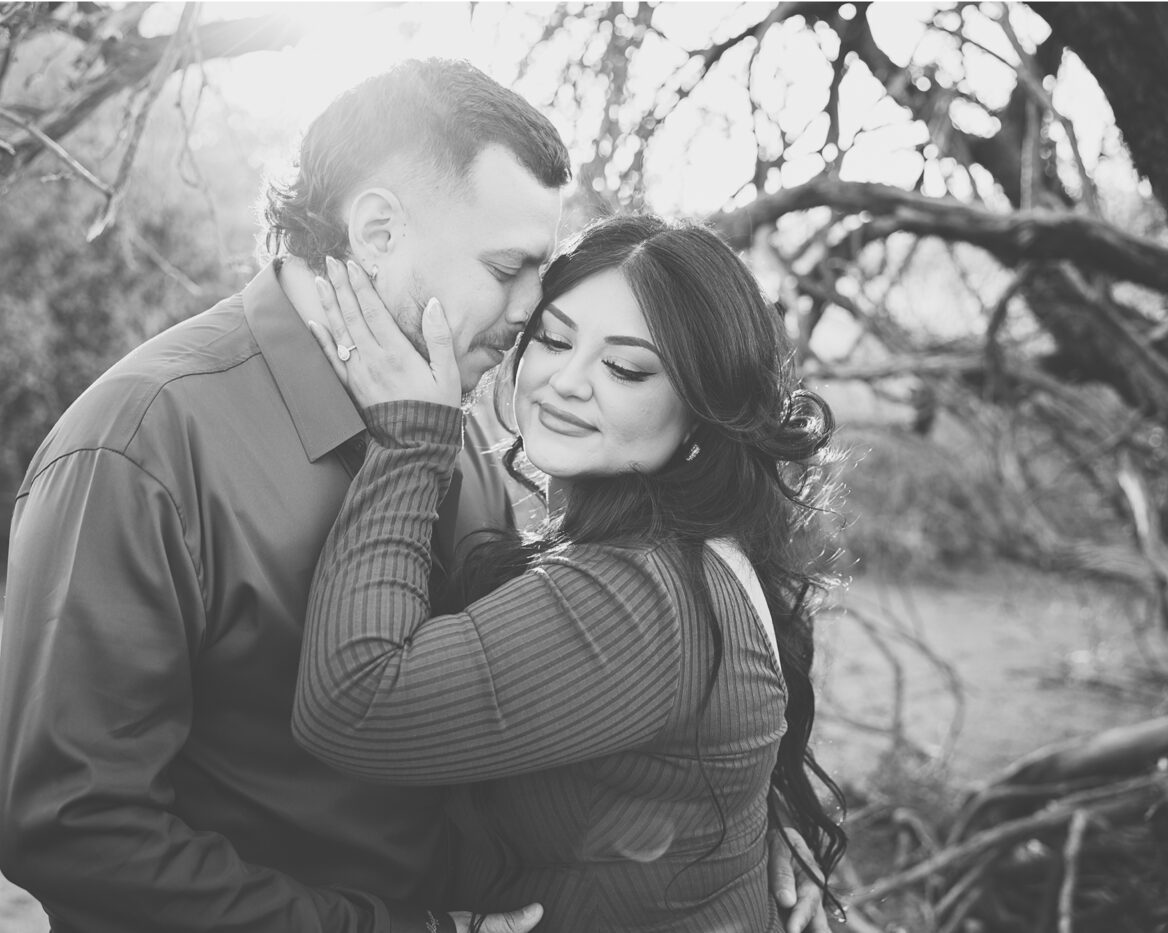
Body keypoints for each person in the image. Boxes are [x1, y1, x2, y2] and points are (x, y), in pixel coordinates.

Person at [0, 56, 826, 933]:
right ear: (381, 231)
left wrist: (726, 822)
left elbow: (526, 694)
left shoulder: (450, 428)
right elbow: (74, 829)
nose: (528, 311)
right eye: (509, 267)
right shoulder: (141, 443)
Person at [294, 214, 847, 932]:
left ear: (702, 412)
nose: (565, 381)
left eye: (625, 367)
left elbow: (354, 705)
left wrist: (409, 437)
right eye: (554, 339)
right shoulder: (687, 544)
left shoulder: (642, 594)